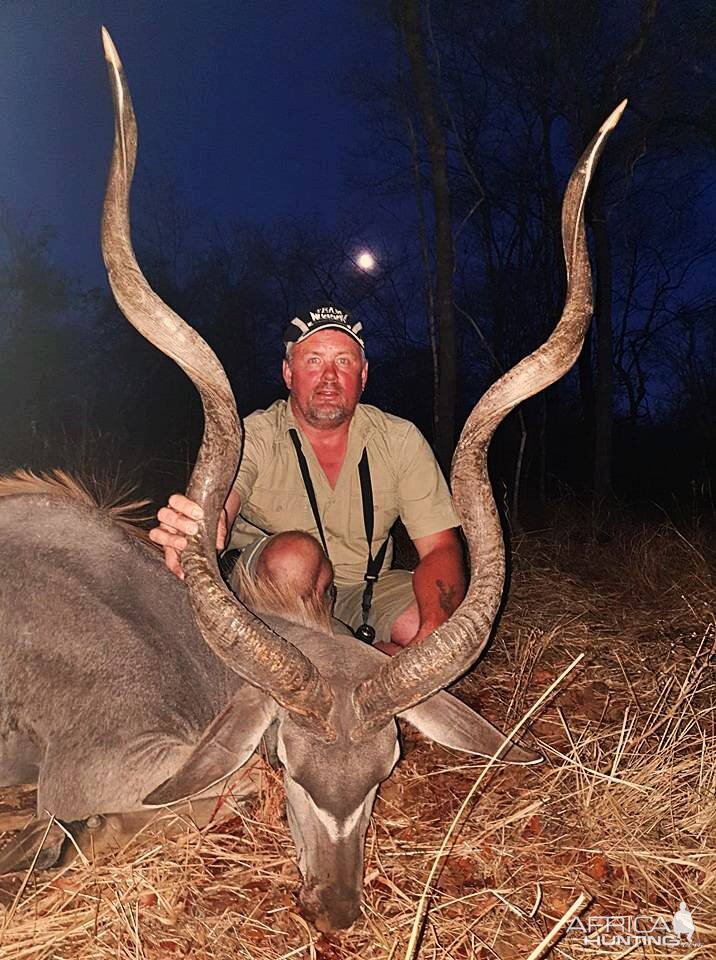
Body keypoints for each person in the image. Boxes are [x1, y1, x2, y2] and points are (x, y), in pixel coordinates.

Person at [150, 304, 466, 655]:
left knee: (442, 622)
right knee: (294, 558)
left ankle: (356, 662)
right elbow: (222, 502)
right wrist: (205, 525)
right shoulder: (251, 434)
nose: (329, 376)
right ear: (288, 373)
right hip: (277, 592)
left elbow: (440, 548)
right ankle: (353, 662)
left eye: (344, 361)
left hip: (364, 591)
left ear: (363, 375)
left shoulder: (400, 440)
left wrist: (433, 636)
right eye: (313, 360)